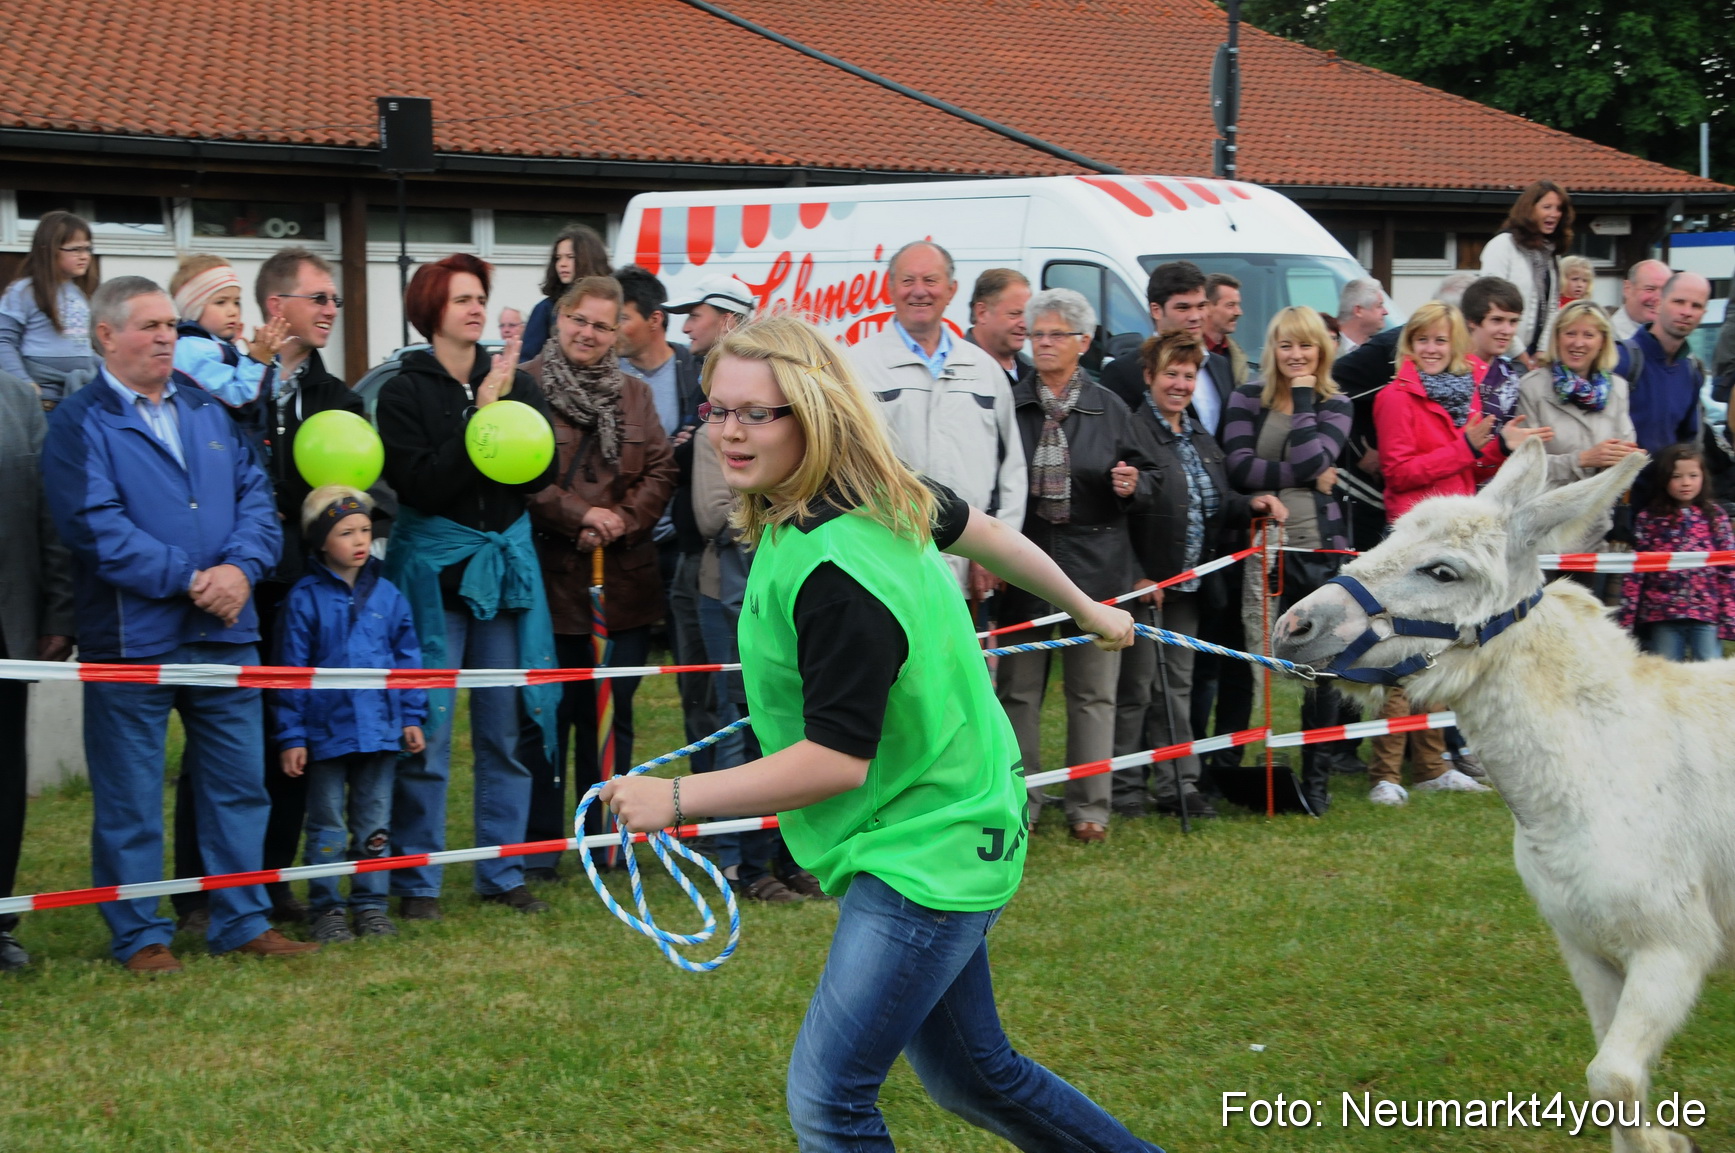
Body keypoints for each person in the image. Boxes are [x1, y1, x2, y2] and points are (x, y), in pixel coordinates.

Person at [601, 313, 1162, 1153]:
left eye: (757, 413)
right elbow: (982, 530)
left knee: (828, 1100)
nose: (729, 432)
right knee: (974, 1074)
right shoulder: (867, 495)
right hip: (940, 818)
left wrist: (676, 799)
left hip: (926, 845)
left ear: (813, 413)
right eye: (717, 409)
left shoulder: (839, 570)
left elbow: (836, 761)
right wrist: (1085, 607)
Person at [40, 276, 318, 972]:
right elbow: (94, 528)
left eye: (170, 324)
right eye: (150, 325)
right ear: (106, 336)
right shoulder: (78, 423)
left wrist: (240, 571)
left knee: (239, 786)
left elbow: (258, 502)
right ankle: (141, 934)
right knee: (130, 796)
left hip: (226, 633)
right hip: (131, 640)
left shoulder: (206, 409)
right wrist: (192, 580)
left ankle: (241, 919)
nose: (167, 336)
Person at [173, 246, 366, 933]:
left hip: (305, 588)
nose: (331, 310)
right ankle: (197, 890)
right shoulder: (215, 376)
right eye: (319, 298)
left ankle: (274, 879)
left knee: (292, 734)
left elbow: (364, 489)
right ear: (276, 305)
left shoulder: (337, 397)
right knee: (219, 740)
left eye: (335, 299)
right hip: (237, 581)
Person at [376, 254, 560, 920]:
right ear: (431, 310)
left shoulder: (516, 382)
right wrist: (478, 419)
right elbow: (421, 486)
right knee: (426, 731)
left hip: (503, 580)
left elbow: (541, 471)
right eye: (461, 299)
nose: (476, 308)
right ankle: (416, 880)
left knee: (504, 732)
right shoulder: (403, 392)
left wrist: (506, 409)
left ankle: (502, 871)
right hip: (434, 581)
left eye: (480, 296)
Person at [520, 275, 675, 877]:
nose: (588, 333)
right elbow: (520, 477)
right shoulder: (525, 385)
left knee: (610, 715)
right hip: (549, 585)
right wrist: (580, 515)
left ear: (617, 333)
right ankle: (538, 848)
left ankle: (605, 842)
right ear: (559, 318)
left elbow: (661, 470)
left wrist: (618, 522)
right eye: (579, 320)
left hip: (623, 586)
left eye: (602, 326)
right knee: (546, 718)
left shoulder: (635, 395)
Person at [1365, 301, 1550, 805]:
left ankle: (1432, 766)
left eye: (1440, 340)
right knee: (1399, 656)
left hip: (1456, 542)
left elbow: (1470, 464)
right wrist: (1467, 447)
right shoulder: (1394, 397)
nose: (1431, 349)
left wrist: (1503, 446)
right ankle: (1385, 774)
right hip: (1414, 541)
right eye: (1422, 339)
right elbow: (1399, 472)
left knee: (1440, 653)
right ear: (1409, 344)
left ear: (1455, 346)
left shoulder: (1465, 393)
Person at [997, 288, 1159, 843]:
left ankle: (1090, 806)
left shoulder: (1111, 407)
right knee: (1018, 692)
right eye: (1036, 334)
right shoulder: (1012, 403)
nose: (1043, 344)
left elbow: (1152, 475)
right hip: (1024, 560)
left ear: (1083, 342)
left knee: (1093, 693)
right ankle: (1022, 801)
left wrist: (1134, 484)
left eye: (1055, 335)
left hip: (1097, 565)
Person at [1116, 332, 1284, 819]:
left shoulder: (1198, 435)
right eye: (1171, 373)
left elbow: (1218, 501)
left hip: (1188, 589)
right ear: (1149, 376)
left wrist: (1252, 504)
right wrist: (1138, 576)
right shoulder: (1131, 431)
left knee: (1177, 688)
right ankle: (1124, 789)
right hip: (1144, 588)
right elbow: (1116, 513)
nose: (1180, 384)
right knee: (1136, 691)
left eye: (1188, 376)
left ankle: (1177, 786)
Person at [273, 486, 428, 944]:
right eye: (345, 533)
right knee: (327, 826)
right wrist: (292, 737)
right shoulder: (303, 600)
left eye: (364, 530)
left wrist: (411, 716)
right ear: (320, 542)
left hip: (380, 733)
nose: (360, 541)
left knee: (374, 823)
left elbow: (408, 662)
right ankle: (326, 907)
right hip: (325, 735)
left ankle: (371, 904)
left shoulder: (389, 596)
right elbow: (290, 673)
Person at [1221, 305, 1356, 812]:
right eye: (1286, 345)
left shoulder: (1335, 403)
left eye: (1306, 345)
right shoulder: (1245, 397)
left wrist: (1302, 398)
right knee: (1247, 660)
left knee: (1321, 668)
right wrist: (1305, 474)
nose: (1296, 355)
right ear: (1272, 349)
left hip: (1319, 551)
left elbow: (1313, 457)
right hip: (1261, 551)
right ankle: (1229, 768)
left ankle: (1316, 781)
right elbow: (1237, 468)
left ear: (1322, 350)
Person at [848, 241, 1027, 600]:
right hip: (884, 565)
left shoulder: (984, 370)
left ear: (951, 290)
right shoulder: (856, 366)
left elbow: (1012, 470)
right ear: (890, 288)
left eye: (930, 280)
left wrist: (996, 550)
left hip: (970, 567)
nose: (919, 291)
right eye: (908, 280)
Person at [662, 271, 755, 771]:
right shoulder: (695, 377)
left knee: (735, 712)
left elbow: (721, 509)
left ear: (728, 322)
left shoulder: (748, 388)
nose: (685, 328)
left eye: (694, 316)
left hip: (733, 576)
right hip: (702, 569)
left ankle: (736, 815)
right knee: (709, 705)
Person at [0, 367, 75, 971]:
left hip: (5, 622)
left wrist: (58, 610)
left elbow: (48, 508)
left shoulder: (17, 400)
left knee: (3, 782)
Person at [1514, 299, 1639, 532]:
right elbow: (1524, 466)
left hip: (1596, 522)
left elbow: (1626, 455)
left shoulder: (1618, 388)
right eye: (1570, 333)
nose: (1578, 343)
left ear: (1602, 342)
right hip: (1545, 524)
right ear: (1557, 338)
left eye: (1589, 335)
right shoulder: (1532, 388)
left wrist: (1625, 459)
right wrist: (1581, 460)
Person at [1620, 442, 1735, 662]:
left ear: (1704, 477)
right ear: (1664, 479)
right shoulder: (1649, 519)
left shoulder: (1716, 517)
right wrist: (1627, 618)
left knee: (1709, 672)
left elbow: (1728, 568)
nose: (1686, 483)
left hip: (1706, 613)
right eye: (1676, 476)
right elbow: (1636, 571)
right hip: (1663, 613)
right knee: (1666, 673)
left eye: (1693, 475)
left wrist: (1729, 616)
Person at [1101, 260, 1232, 435]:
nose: (1195, 316)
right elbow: (1115, 438)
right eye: (1183, 308)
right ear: (1156, 310)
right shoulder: (1123, 372)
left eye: (1201, 306)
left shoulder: (1220, 365)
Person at [0, 209, 99, 408]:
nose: (84, 256)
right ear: (48, 250)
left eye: (88, 249)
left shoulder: (79, 293)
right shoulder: (23, 291)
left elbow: (82, 347)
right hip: (45, 401)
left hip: (80, 395)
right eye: (75, 249)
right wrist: (24, 382)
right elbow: (4, 341)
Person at [168, 254, 288, 406]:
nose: (233, 311)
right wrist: (258, 360)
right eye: (221, 302)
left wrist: (267, 355)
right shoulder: (192, 351)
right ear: (193, 310)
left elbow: (266, 396)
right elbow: (239, 402)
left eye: (236, 302)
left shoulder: (213, 345)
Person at [1616, 272, 1710, 460]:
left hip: (1666, 478)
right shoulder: (1621, 359)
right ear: (1658, 304)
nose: (1687, 312)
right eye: (1679, 302)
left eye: (1696, 306)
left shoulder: (1691, 371)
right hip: (1620, 476)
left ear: (1703, 314)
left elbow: (1689, 443)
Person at [1479, 180, 1573, 363]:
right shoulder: (1502, 246)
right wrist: (1520, 354)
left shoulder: (1550, 253)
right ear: (1529, 209)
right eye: (1547, 207)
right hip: (1503, 352)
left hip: (1535, 355)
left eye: (1558, 208)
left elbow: (1552, 306)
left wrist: (1542, 351)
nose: (1554, 214)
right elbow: (1490, 303)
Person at [519, 224, 610, 361]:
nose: (562, 263)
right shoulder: (545, 309)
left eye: (570, 257)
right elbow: (526, 360)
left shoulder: (611, 304)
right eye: (558, 258)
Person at [1462, 276, 1526, 428]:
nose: (1507, 330)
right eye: (1497, 320)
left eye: (1513, 321)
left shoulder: (1509, 377)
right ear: (1472, 321)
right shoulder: (1448, 370)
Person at [963, 266, 1032, 385]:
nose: (1024, 324)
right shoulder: (957, 369)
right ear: (982, 313)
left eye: (1028, 315)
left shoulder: (1033, 370)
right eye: (1014, 314)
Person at [1203, 272, 1249, 387]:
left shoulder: (1236, 354)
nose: (1239, 312)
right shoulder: (1185, 352)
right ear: (1207, 307)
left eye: (1238, 305)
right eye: (1230, 305)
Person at [1611, 259, 1671, 342]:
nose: (1659, 298)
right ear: (1627, 289)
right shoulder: (1608, 339)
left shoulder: (1677, 338)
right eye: (1650, 289)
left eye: (1665, 290)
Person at [1334, 278, 1387, 355]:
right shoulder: (1326, 347)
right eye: (1379, 306)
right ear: (1358, 311)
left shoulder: (1382, 350)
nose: (1385, 312)